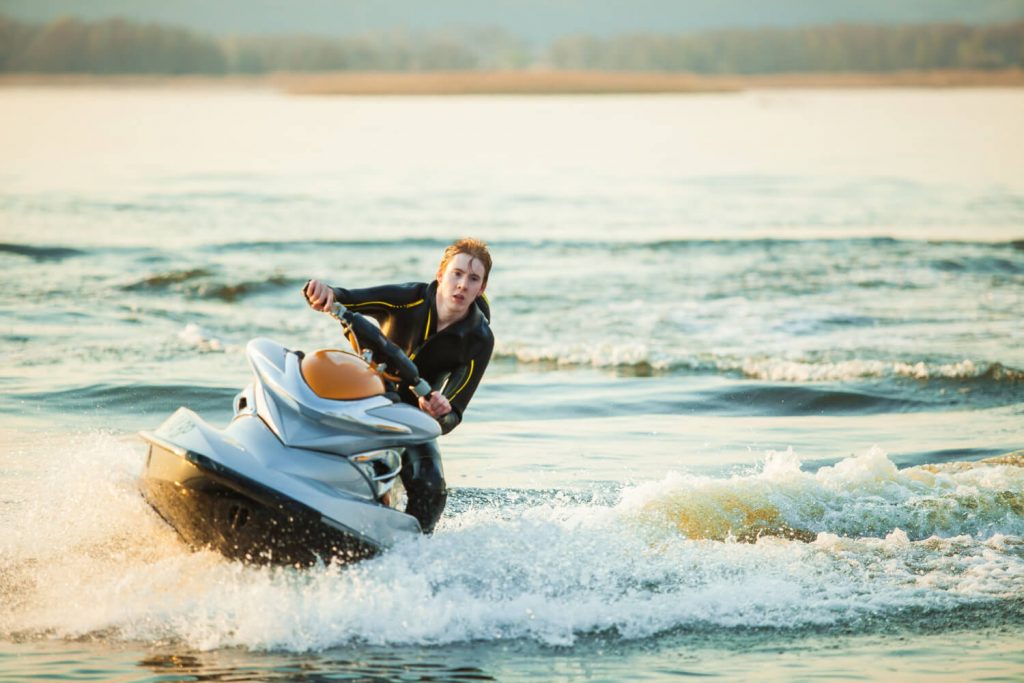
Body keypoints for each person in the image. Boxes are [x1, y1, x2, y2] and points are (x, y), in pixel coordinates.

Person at [303, 238, 493, 533]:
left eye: (473, 279)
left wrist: (439, 411)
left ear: (481, 289)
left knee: (431, 488)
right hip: (363, 394)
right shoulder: (407, 298)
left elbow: (453, 414)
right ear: (441, 275)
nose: (462, 285)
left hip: (410, 418)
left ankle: (410, 552)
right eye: (456, 274)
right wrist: (324, 292)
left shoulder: (479, 339)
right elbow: (345, 298)